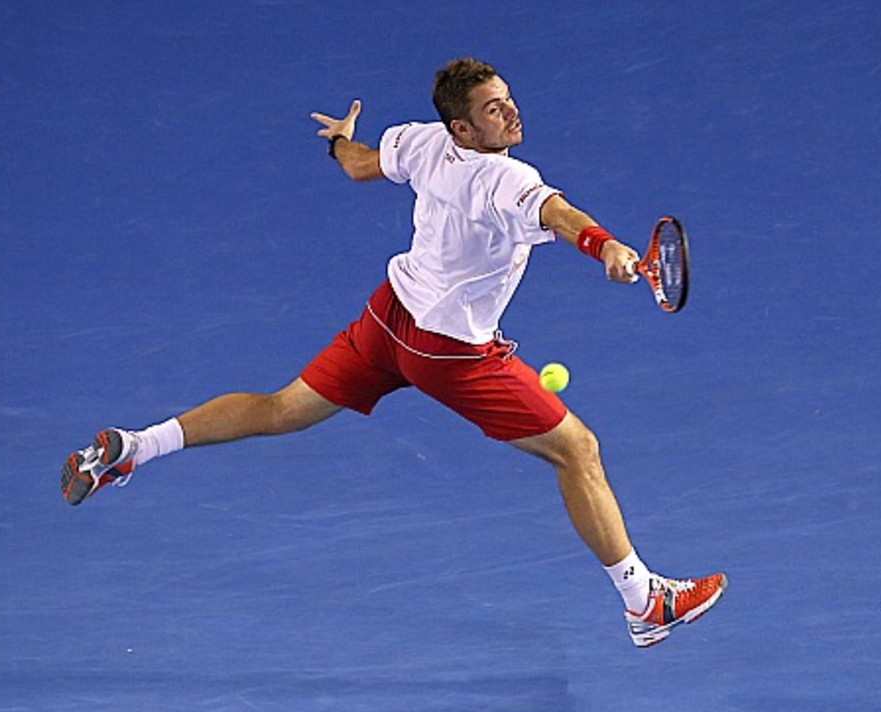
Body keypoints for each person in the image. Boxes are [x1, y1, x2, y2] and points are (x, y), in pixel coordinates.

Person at [61, 57, 726, 647]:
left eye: (507, 97)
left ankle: (130, 447)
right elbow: (559, 213)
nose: (511, 111)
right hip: (448, 352)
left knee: (281, 407)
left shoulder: (420, 139)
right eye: (494, 109)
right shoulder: (504, 180)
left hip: (391, 315)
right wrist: (604, 245)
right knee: (577, 449)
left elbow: (358, 166)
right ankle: (646, 601)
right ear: (465, 131)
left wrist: (342, 140)